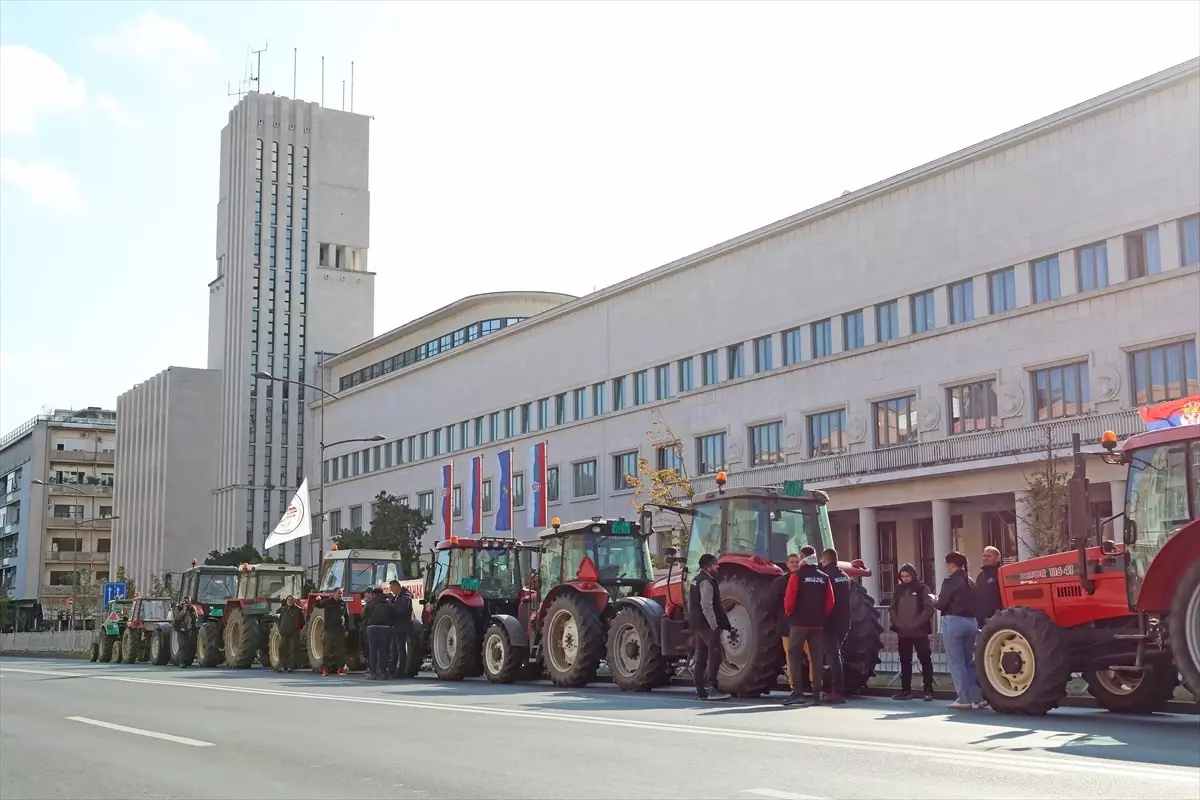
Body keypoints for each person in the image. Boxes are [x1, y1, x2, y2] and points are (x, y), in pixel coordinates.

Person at [783, 550, 835, 706]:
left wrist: (790, 613)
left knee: (793, 654)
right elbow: (830, 602)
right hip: (817, 624)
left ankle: (797, 692)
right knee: (816, 657)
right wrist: (820, 616)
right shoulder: (824, 577)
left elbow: (790, 599)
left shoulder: (797, 575)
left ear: (802, 559)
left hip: (799, 623)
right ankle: (817, 692)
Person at [936, 552, 984, 710]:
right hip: (971, 622)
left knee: (956, 663)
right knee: (967, 662)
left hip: (954, 621)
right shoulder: (969, 580)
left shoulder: (950, 581)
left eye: (947, 564)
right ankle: (978, 697)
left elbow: (941, 603)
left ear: (951, 564)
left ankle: (963, 698)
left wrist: (932, 599)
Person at [888, 563, 935, 701]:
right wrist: (897, 623)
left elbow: (929, 609)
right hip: (903, 632)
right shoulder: (898, 590)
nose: (904, 579)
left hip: (919, 631)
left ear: (913, 575)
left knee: (925, 659)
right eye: (902, 576)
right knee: (904, 661)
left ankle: (928, 690)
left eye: (907, 576)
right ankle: (905, 690)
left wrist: (916, 623)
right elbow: (892, 608)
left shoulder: (922, 588)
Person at [689, 553, 732, 701]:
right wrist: (714, 625)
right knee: (715, 654)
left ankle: (700, 689)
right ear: (708, 567)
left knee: (701, 655)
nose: (717, 566)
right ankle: (712, 688)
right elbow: (706, 605)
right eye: (715, 564)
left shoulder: (695, 580)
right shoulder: (706, 582)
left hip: (697, 624)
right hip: (706, 624)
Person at [819, 548, 850, 704]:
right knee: (837, 656)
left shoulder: (826, 577)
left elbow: (826, 601)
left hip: (830, 622)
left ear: (825, 560)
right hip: (844, 621)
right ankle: (833, 689)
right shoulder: (844, 577)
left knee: (833, 658)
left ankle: (837, 692)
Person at [773, 553, 801, 694]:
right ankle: (794, 687)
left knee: (812, 656)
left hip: (803, 625)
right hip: (787, 626)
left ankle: (816, 687)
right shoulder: (780, 582)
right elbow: (772, 602)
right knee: (791, 657)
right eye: (792, 562)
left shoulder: (804, 579)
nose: (795, 564)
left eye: (797, 561)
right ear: (787, 563)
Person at [364, 586, 394, 680]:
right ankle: (383, 673)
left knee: (373, 651)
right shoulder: (388, 603)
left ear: (373, 593)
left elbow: (362, 614)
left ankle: (373, 673)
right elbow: (393, 614)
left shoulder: (370, 603)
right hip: (385, 628)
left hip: (372, 628)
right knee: (384, 651)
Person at [317, 587, 349, 676]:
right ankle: (325, 669)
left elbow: (347, 617)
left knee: (341, 651)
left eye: (341, 594)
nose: (340, 595)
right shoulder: (328, 602)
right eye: (339, 593)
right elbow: (319, 606)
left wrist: (347, 629)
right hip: (329, 630)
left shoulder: (343, 604)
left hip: (340, 630)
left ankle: (340, 669)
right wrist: (317, 600)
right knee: (327, 650)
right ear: (334, 593)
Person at [389, 580, 414, 679]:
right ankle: (393, 670)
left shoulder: (405, 597)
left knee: (401, 650)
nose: (391, 590)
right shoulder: (396, 597)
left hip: (401, 627)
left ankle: (401, 671)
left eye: (392, 588)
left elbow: (401, 611)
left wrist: (391, 607)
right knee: (394, 649)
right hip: (396, 627)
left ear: (397, 587)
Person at [974, 546, 1003, 627]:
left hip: (997, 619)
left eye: (989, 556)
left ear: (997, 558)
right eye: (984, 556)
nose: (985, 558)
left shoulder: (1002, 573)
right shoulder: (981, 575)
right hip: (981, 621)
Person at [276, 595, 304, 673]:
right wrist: (280, 629)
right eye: (288, 599)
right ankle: (281, 666)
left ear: (294, 600)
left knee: (293, 649)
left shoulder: (298, 610)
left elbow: (302, 621)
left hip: (293, 633)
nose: (289, 601)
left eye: (291, 599)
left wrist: (297, 628)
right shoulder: (283, 609)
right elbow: (280, 620)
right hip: (284, 632)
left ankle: (290, 667)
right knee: (282, 648)